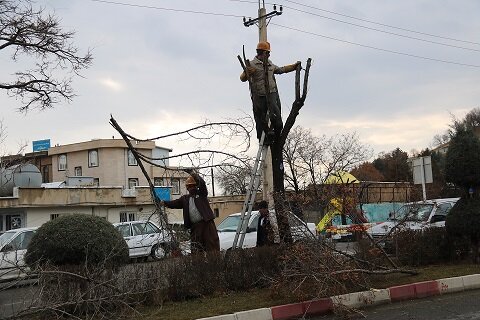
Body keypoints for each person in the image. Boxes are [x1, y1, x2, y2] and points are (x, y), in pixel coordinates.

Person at [240, 41, 300, 142]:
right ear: (262, 53)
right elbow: (242, 78)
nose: (269, 55)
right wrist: (246, 73)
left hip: (271, 93)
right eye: (267, 53)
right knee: (260, 118)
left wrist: (294, 66)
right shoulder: (252, 64)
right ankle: (263, 139)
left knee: (276, 115)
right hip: (259, 95)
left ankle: (276, 134)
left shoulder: (270, 64)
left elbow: (281, 70)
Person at [162, 172, 220, 254]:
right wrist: (164, 203)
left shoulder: (202, 194)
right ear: (187, 188)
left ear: (196, 186)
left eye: (193, 186)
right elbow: (174, 203)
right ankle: (198, 266)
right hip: (195, 227)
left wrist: (193, 174)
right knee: (196, 250)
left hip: (207, 225)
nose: (191, 188)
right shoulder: (185, 199)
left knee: (212, 247)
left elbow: (202, 183)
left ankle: (216, 264)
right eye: (189, 186)